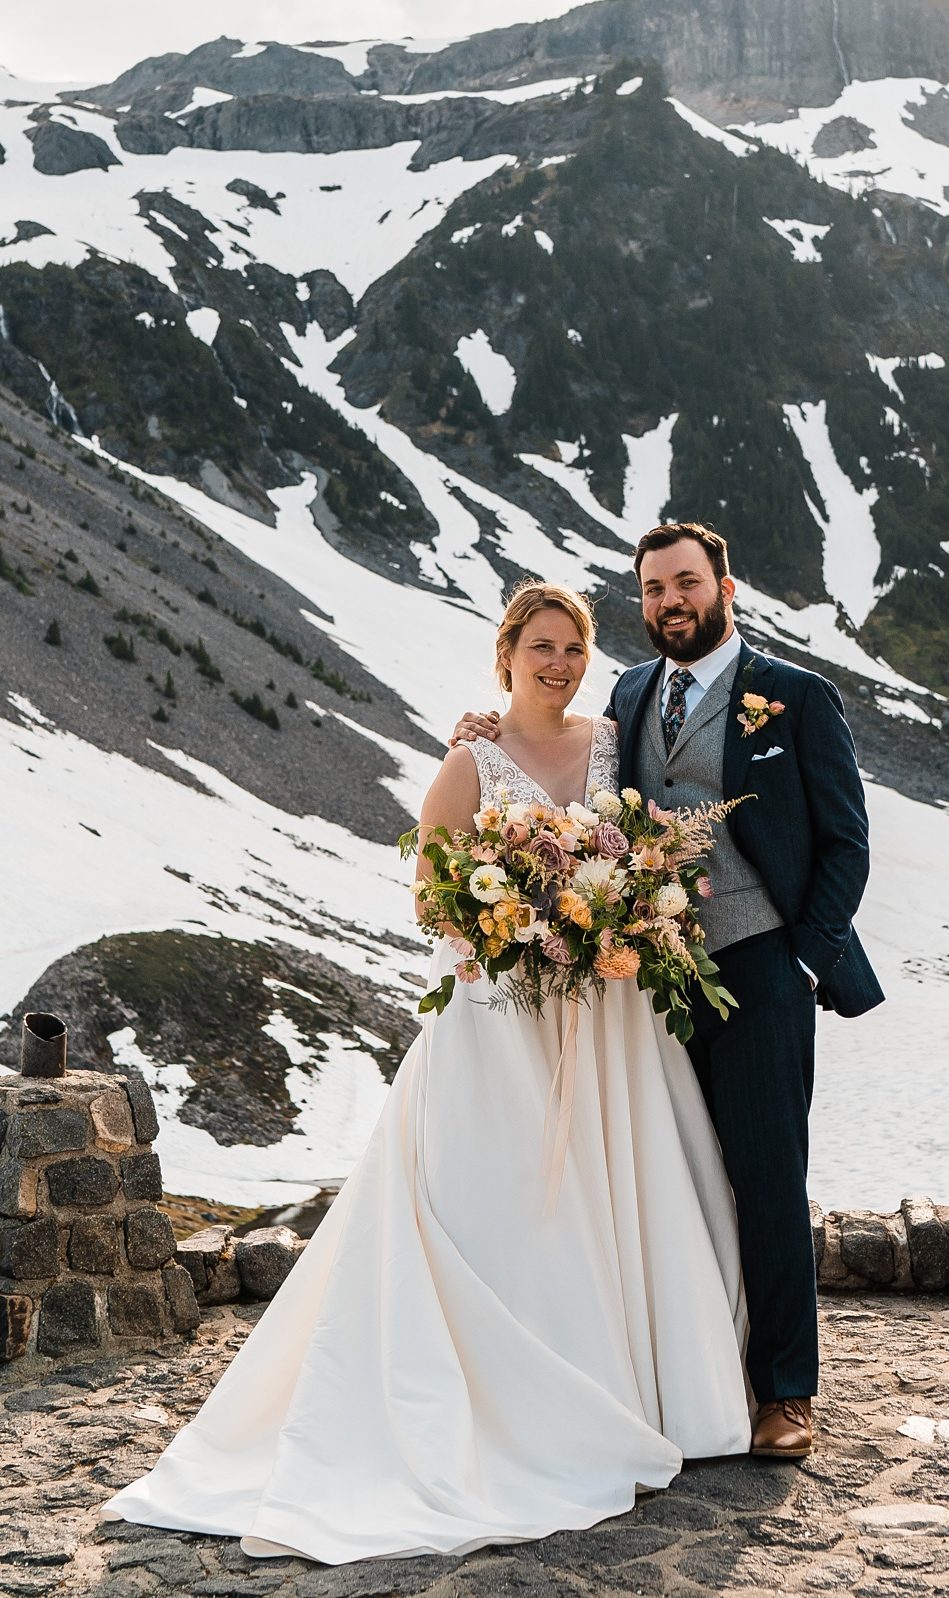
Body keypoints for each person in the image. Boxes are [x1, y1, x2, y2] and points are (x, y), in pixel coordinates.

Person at [100, 579, 751, 1567]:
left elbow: (641, 851)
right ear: (506, 654)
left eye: (572, 645)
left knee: (611, 1189)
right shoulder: (471, 759)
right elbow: (433, 903)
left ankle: (632, 1385)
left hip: (605, 1017)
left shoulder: (609, 742)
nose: (559, 662)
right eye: (540, 645)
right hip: (498, 1020)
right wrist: (524, 929)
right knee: (495, 1198)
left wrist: (603, 914)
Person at [452, 525, 883, 1458]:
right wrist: (489, 731)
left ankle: (782, 1393)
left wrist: (802, 960)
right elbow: (561, 761)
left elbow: (846, 842)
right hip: (645, 980)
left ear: (724, 585)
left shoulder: (796, 696)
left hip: (763, 967)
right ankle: (688, 1373)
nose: (668, 602)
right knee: (671, 1176)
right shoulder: (629, 693)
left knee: (767, 1176)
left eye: (684, 583)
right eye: (651, 590)